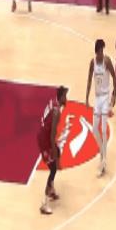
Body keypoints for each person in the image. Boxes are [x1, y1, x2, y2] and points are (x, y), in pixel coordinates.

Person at [86, 39, 116, 177]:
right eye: (101, 50)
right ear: (97, 51)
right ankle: (102, 152)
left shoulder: (107, 61)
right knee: (94, 129)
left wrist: (114, 96)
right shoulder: (92, 62)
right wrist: (87, 97)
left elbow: (115, 78)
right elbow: (89, 80)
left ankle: (103, 161)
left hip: (105, 98)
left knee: (104, 130)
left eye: (103, 50)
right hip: (97, 98)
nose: (102, 52)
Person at [37, 86, 68, 215]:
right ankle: (44, 204)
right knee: (53, 168)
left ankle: (51, 190)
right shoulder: (57, 113)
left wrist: (56, 151)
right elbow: (52, 135)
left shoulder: (53, 103)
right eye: (65, 96)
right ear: (61, 98)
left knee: (58, 153)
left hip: (44, 136)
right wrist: (54, 153)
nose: (66, 99)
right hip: (44, 141)